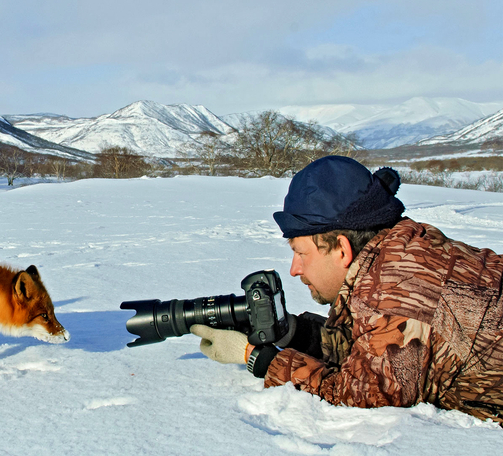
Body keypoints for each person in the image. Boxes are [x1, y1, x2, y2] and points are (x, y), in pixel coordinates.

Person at [190, 155, 503, 424]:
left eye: (301, 252)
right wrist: (293, 333)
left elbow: (362, 397)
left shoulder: (397, 286)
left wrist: (257, 358)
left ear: (341, 249)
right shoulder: (396, 251)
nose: (294, 268)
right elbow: (365, 346)